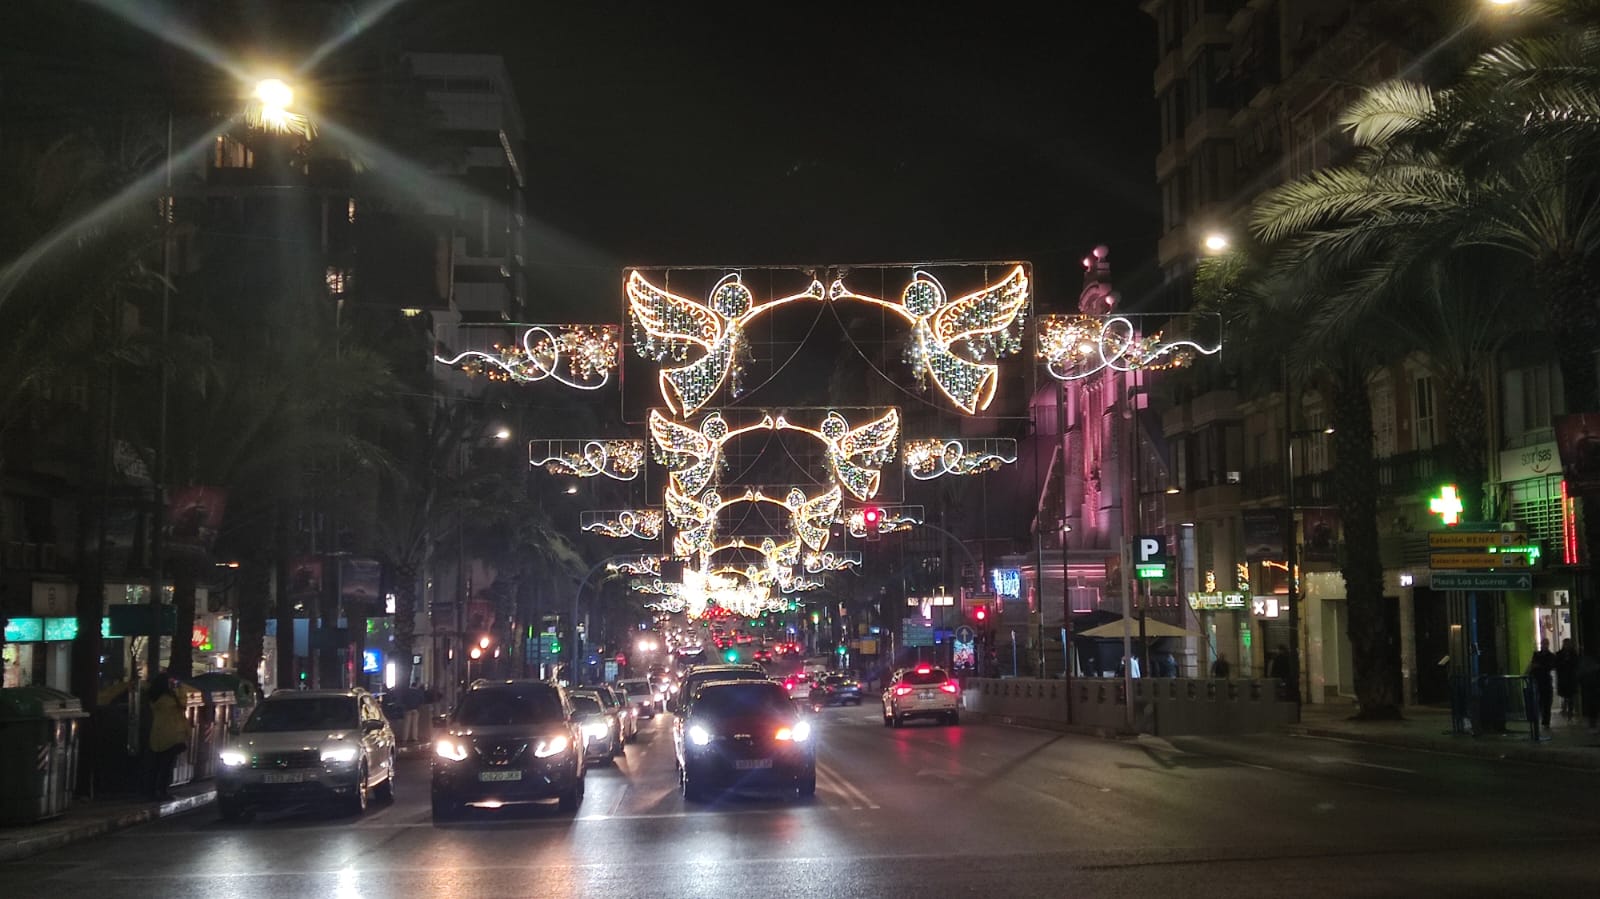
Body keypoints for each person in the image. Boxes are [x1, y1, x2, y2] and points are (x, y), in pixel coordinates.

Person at [146, 672, 189, 799]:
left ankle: (152, 791)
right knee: (167, 765)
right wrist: (180, 688)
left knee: (156, 764)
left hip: (158, 734)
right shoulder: (170, 699)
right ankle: (162, 791)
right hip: (172, 735)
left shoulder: (154, 698)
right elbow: (183, 704)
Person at [1528, 638, 1557, 729]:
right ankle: (1541, 719)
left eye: (1545, 644)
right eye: (1543, 643)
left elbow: (1550, 666)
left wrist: (1539, 666)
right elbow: (1534, 666)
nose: (1544, 645)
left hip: (1546, 681)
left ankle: (1545, 721)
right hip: (1538, 680)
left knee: (1547, 701)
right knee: (1541, 701)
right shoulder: (1537, 654)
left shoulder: (1550, 656)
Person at [1554, 638, 1578, 723]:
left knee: (1570, 697)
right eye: (1566, 644)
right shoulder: (1559, 654)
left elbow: (1576, 664)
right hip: (1563, 678)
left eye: (1568, 644)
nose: (1567, 646)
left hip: (1571, 678)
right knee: (1565, 696)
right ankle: (1565, 709)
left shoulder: (1573, 654)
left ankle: (1569, 713)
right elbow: (1557, 665)